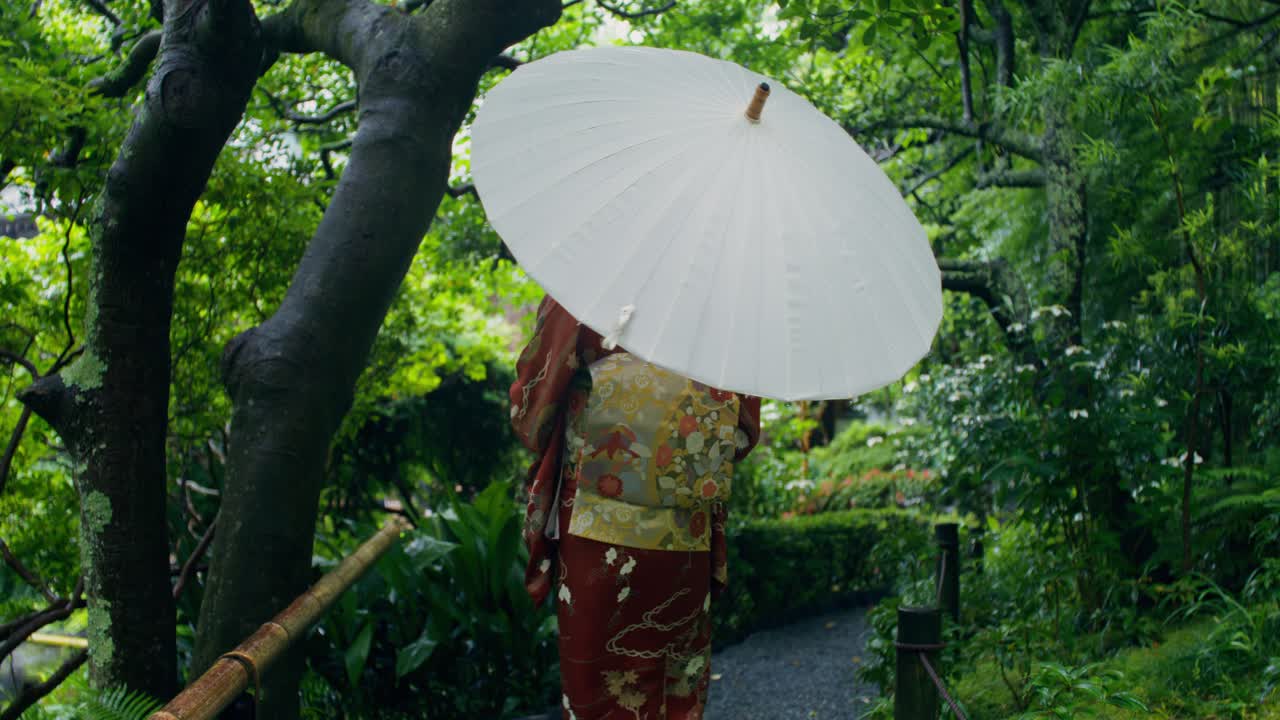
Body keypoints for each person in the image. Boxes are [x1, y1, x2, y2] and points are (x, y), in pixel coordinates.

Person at [510, 296, 761, 720]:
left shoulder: (589, 286)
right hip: (684, 527)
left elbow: (531, 414)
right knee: (672, 687)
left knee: (597, 685)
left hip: (595, 524)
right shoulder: (725, 299)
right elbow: (743, 431)